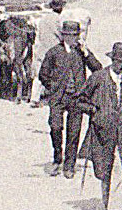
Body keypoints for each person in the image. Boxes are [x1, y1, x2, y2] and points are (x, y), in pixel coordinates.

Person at [76, 42, 122, 210]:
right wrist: (92, 109)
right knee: (104, 166)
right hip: (102, 132)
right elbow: (79, 100)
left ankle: (115, 206)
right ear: (113, 60)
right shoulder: (98, 78)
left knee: (120, 167)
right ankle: (108, 199)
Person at [38, 20, 99, 177]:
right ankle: (57, 158)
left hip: (77, 98)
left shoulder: (82, 52)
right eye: (69, 36)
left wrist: (87, 53)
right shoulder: (54, 52)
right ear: (63, 36)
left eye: (75, 36)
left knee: (74, 132)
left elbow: (97, 69)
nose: (73, 39)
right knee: (55, 127)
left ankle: (69, 165)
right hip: (58, 98)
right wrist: (53, 88)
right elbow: (43, 74)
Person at [30, 0, 67, 105]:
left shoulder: (42, 19)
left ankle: (34, 98)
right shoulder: (59, 20)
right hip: (54, 51)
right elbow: (61, 35)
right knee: (57, 74)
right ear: (60, 8)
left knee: (39, 75)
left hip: (42, 49)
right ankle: (55, 97)